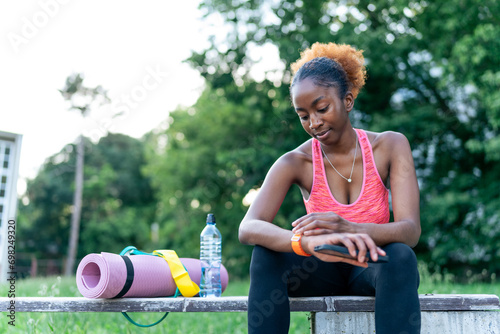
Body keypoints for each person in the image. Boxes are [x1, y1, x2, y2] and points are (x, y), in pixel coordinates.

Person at [239, 42, 421, 334]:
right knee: (265, 254)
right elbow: (248, 227)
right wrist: (303, 243)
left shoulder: (389, 146)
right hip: (318, 268)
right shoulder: (296, 162)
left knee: (401, 255)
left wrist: (349, 228)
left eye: (322, 108)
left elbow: (410, 231)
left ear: (347, 100)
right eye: (303, 115)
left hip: (372, 268)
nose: (314, 122)